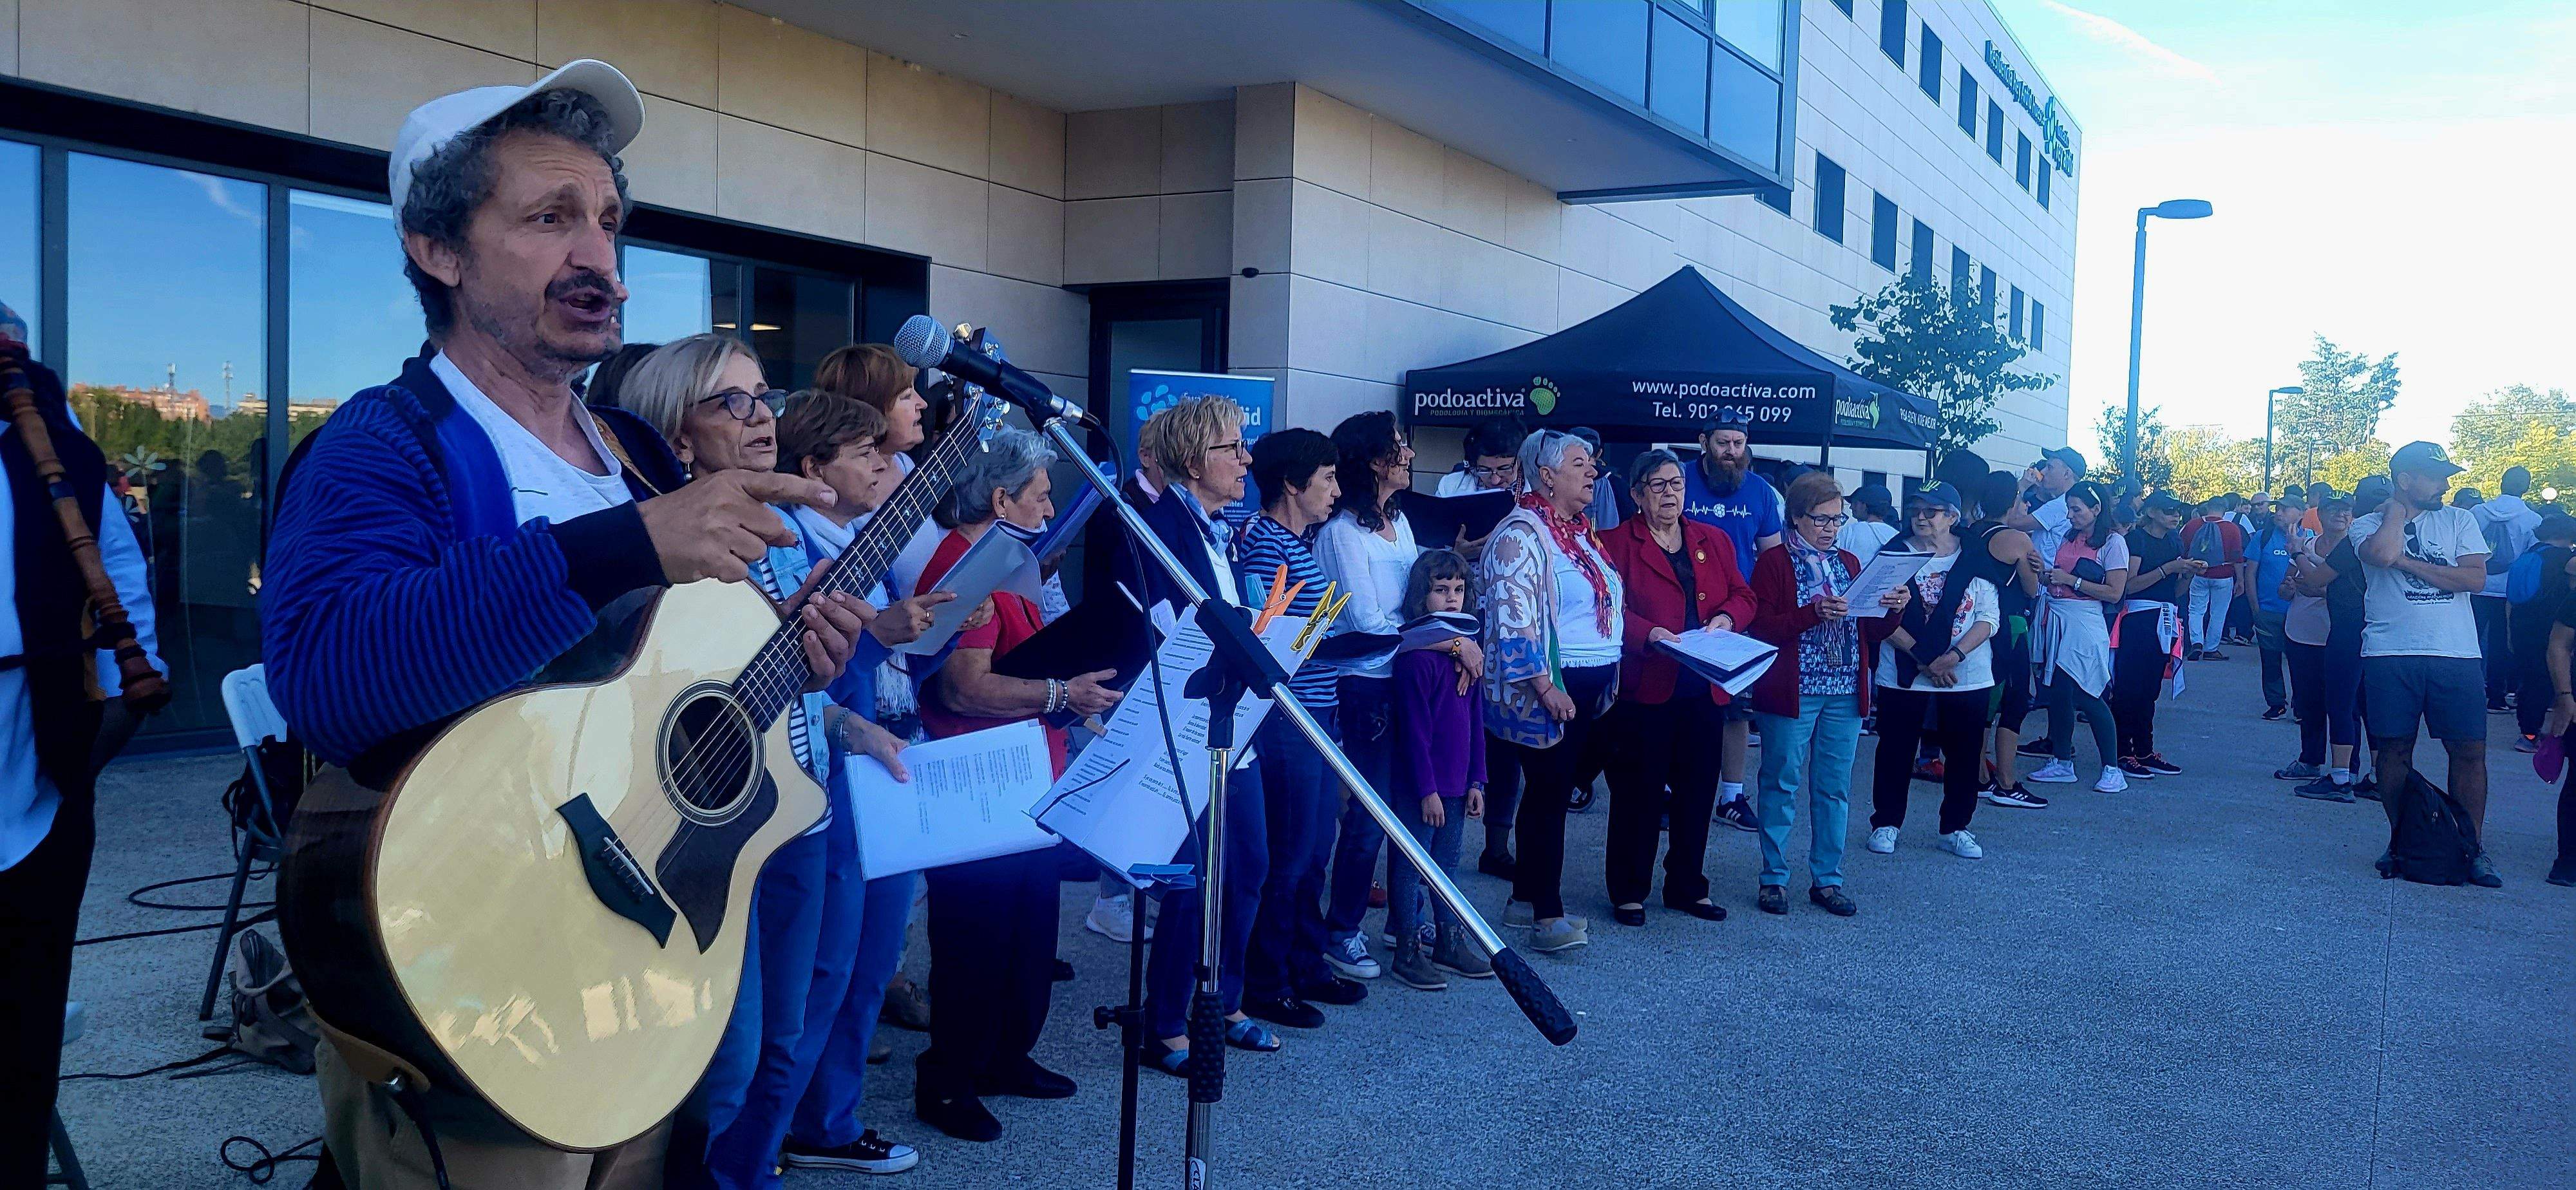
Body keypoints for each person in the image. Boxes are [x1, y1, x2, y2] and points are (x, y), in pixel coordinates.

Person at [261, 67, 874, 1187]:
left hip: (645, 966)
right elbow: (332, 677)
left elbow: (652, 702)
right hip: (480, 982)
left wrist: (787, 660)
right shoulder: (384, 446)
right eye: (549, 218)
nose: (599, 258)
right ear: (438, 250)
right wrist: (627, 545)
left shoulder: (636, 455)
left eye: (606, 221)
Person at [614, 339, 924, 1187]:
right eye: (734, 403)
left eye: (765, 397)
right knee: (733, 1059)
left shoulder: (781, 534)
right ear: (676, 432)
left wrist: (850, 717)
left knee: (784, 1047)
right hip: (717, 830)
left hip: (804, 812)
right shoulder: (655, 545)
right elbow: (653, 703)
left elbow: (788, 683)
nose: (764, 418)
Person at [913, 428, 1119, 1133]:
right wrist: (1061, 695)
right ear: (1000, 497)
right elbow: (965, 689)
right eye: (1038, 494)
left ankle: (1004, 1054)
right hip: (977, 780)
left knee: (1027, 932)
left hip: (1023, 777)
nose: (1049, 504)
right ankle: (949, 1078)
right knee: (975, 937)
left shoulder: (1005, 561)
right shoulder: (961, 566)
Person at [768, 390, 949, 1176]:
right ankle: (783, 1130)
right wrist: (878, 637)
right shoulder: (803, 554)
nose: (885, 465)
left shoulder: (860, 544)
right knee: (826, 967)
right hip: (838, 780)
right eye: (864, 453)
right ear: (814, 468)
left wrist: (929, 632)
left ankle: (830, 1119)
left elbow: (889, 669)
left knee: (872, 959)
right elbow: (817, 690)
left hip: (886, 765)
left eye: (884, 448)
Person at [1, 346, 162, 1187]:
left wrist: (90, 759)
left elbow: (128, 603)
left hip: (42, 792)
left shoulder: (66, 461)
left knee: (22, 1043)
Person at [1113, 396, 1283, 1073]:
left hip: (1234, 723)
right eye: (1232, 448)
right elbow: (1154, 625)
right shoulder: (1156, 527)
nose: (1246, 459)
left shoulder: (1218, 526)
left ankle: (1223, 994)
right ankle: (1165, 1020)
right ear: (1192, 461)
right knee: (1197, 877)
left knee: (1249, 865)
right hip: (1189, 726)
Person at [1236, 428, 1372, 1024]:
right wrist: (1336, 642)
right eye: (1327, 480)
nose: (1337, 492)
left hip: (1316, 709)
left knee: (1315, 846)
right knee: (1290, 854)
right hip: (1287, 715)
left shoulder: (1299, 541)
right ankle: (1267, 983)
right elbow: (1268, 638)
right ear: (1292, 485)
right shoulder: (1267, 546)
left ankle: (1306, 962)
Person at [1597, 449, 1754, 927]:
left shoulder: (1713, 539)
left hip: (1704, 685)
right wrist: (1649, 633)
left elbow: (1743, 596)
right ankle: (1628, 890)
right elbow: (1604, 608)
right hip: (1647, 684)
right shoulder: (1613, 543)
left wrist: (1728, 618)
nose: (1671, 494)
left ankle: (1687, 885)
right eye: (1659, 485)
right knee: (1638, 794)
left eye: (1677, 484)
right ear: (1637, 494)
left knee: (1697, 791)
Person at [1481, 429, 1624, 953]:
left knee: (1550, 792)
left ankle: (1524, 900)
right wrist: (1544, 685)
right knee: (1548, 797)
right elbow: (1511, 620)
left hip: (1589, 686)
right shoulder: (1522, 535)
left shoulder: (1577, 530)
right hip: (1547, 693)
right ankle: (1547, 916)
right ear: (1546, 475)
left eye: (1592, 463)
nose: (1592, 472)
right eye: (1580, 463)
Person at [1745, 470, 1908, 915]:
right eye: (1821, 520)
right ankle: (1774, 877)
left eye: (1838, 520)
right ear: (1796, 518)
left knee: (1834, 788)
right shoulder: (1775, 563)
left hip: (1844, 689)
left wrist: (1893, 612)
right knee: (1781, 781)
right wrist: (1812, 613)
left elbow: (1870, 629)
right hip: (1793, 688)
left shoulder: (1849, 563)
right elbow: (1760, 629)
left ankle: (1827, 879)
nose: (1831, 529)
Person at [2351, 442, 2498, 887]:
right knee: (2393, 751)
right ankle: (2402, 841)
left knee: (2469, 751)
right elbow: (2379, 555)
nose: (2446, 484)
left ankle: (2471, 847)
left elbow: (2473, 579)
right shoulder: (2367, 524)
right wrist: (2396, 512)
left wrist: (2409, 563)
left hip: (2455, 654)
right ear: (2406, 480)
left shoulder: (2460, 519)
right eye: (2436, 475)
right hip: (2389, 654)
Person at [1311, 411, 1425, 981]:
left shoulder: (1398, 523)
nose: (1407, 454)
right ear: (1375, 460)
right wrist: (1432, 635)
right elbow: (1364, 619)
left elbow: (1423, 593)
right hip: (1365, 684)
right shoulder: (1341, 534)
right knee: (1368, 812)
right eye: (1398, 446)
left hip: (1408, 675)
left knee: (1413, 804)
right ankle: (1342, 929)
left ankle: (1404, 920)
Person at [1864, 482, 2000, 860]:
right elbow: (1878, 613)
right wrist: (1926, 661)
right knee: (1895, 748)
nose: (1920, 518)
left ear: (1953, 517)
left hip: (1966, 674)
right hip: (1905, 673)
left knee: (1965, 752)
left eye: (1932, 511)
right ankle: (1886, 823)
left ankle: (1956, 827)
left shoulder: (1973, 554)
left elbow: (1989, 617)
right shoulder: (1893, 553)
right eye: (1916, 510)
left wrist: (1952, 658)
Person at [1384, 549, 1495, 987]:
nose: (1451, 599)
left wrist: (1478, 780)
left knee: (1448, 866)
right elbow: (1413, 734)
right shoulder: (1416, 661)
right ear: (1421, 596)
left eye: (1459, 590)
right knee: (1412, 865)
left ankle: (1449, 940)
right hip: (1421, 787)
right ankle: (1407, 948)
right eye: (1440, 590)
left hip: (1456, 781)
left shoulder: (1467, 655)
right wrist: (1426, 789)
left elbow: (1475, 722)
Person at [1678, 409, 1780, 833]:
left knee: (1735, 709)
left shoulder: (1759, 491)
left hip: (1737, 615)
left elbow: (1772, 556)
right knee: (1679, 704)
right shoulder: (1677, 478)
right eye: (1723, 443)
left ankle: (1732, 797)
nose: (1731, 452)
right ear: (1705, 442)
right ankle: (1672, 790)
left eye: (1738, 444)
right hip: (1681, 612)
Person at [2024, 482, 2130, 793]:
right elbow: (2057, 579)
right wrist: (2043, 572)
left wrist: (2071, 580)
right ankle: (2061, 761)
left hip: (2084, 623)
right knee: (2059, 692)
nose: (2070, 516)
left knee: (2087, 692)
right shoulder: (2069, 537)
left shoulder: (2113, 543)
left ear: (2097, 510)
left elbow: (2114, 592)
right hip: (2056, 617)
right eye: (2069, 509)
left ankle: (2112, 767)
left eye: (2076, 509)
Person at [2293, 488, 2374, 801]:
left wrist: (2297, 553)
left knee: (2341, 705)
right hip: (2374, 632)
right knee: (2369, 708)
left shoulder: (2356, 543)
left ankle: (2341, 778)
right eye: (2335, 510)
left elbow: (2317, 580)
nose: (2343, 515)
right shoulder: (2387, 540)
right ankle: (2376, 778)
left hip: (2349, 631)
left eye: (2348, 509)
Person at [2113, 493, 2200, 779]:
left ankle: (2144, 749)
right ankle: (2122, 751)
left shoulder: (2175, 541)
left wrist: (2187, 573)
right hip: (2138, 618)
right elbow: (2130, 585)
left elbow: (2174, 592)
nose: (2175, 516)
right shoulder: (2136, 540)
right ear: (2151, 512)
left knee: (2150, 688)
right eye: (2169, 510)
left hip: (2164, 617)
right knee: (2130, 687)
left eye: (2178, 511)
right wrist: (2167, 569)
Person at [2472, 466, 2543, 712]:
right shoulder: (2533, 520)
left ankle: (2466, 692)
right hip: (2508, 591)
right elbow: (2531, 559)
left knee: (2468, 640)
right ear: (2526, 488)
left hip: (2475, 585)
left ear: (2501, 482)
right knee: (2501, 645)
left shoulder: (2477, 512)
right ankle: (2497, 698)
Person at [2506, 515, 2576, 751]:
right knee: (2544, 681)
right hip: (2547, 628)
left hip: (2521, 623)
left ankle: (2527, 732)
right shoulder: (2566, 559)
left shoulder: (2530, 553)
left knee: (2529, 679)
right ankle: (2531, 735)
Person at [2248, 496, 2309, 727]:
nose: (2279, 514)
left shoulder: (2311, 539)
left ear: (2301, 513)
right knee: (2271, 660)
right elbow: (2250, 573)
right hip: (2269, 611)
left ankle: (2302, 706)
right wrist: (2255, 607)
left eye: (2285, 509)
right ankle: (2276, 704)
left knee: (2300, 662)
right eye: (2278, 509)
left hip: (2301, 612)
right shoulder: (2262, 538)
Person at [2182, 497, 2246, 660]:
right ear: (2225, 510)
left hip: (2197, 573)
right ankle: (2211, 649)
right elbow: (2237, 556)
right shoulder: (2232, 528)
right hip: (2224, 575)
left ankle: (2196, 642)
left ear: (2207, 507)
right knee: (2218, 613)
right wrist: (2240, 580)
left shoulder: (2193, 525)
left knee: (2196, 609)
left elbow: (2183, 549)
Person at [1435, 417, 1526, 500]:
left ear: (1520, 460)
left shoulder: (1538, 487)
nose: (1495, 481)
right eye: (1484, 470)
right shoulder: (1450, 486)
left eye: (1504, 469)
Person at [1842, 482, 1901, 565]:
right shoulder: (1897, 536)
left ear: (1865, 505)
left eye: (1855, 503)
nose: (1851, 507)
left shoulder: (1849, 531)